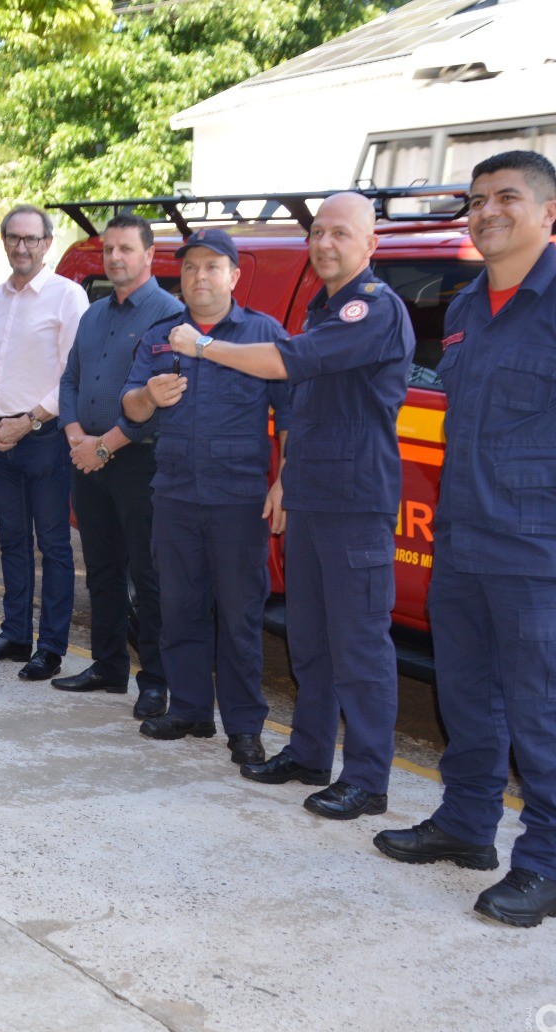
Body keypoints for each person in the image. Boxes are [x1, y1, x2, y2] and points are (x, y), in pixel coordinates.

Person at [373, 151, 556, 927]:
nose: (487, 210)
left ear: (547, 210)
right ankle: (466, 824)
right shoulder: (465, 308)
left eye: (506, 197)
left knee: (541, 707)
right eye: (476, 199)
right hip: (464, 535)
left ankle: (548, 865)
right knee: (466, 692)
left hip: (538, 547)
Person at [177, 193, 415, 819]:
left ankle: (367, 778)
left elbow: (292, 364)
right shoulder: (323, 308)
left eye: (341, 233)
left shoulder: (371, 309)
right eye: (318, 233)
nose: (326, 244)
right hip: (310, 497)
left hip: (354, 502)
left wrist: (202, 347)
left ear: (370, 245)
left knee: (359, 646)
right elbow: (305, 408)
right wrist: (283, 478)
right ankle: (310, 753)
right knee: (310, 639)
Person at [120, 229, 291, 765]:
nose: (200, 277)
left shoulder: (263, 334)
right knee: (179, 608)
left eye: (213, 267)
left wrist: (284, 479)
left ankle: (243, 724)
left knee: (238, 615)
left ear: (234, 276)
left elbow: (291, 416)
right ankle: (190, 708)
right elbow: (131, 406)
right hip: (174, 494)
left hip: (239, 499)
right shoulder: (160, 335)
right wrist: (148, 395)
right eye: (190, 267)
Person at [55, 213, 181, 718]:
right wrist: (76, 436)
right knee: (103, 569)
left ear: (150, 255)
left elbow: (161, 401)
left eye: (126, 249)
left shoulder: (168, 316)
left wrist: (104, 446)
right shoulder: (93, 314)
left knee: (148, 576)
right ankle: (108, 666)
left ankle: (156, 680)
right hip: (88, 458)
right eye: (109, 250)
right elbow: (69, 381)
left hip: (140, 463)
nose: (115, 258)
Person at [0, 205, 88, 679]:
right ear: (4, 241)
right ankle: (15, 635)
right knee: (11, 540)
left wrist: (27, 422)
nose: (22, 247)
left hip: (44, 438)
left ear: (47, 244)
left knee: (53, 546)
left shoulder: (67, 297)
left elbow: (71, 376)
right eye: (14, 238)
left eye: (31, 239)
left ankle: (50, 648)